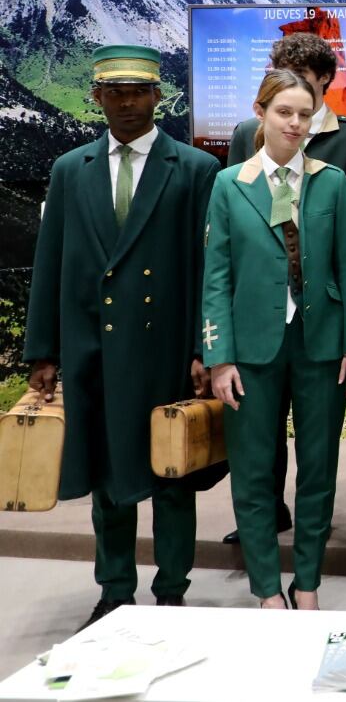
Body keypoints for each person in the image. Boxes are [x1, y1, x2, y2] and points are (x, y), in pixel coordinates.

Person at [23, 45, 219, 630]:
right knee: (108, 479)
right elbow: (49, 261)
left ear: (159, 97)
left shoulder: (193, 170)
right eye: (114, 91)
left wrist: (202, 350)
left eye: (138, 91)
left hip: (164, 352)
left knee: (170, 471)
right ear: (96, 97)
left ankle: (173, 587)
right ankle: (114, 590)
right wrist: (44, 351)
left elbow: (205, 269)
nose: (127, 102)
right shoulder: (70, 170)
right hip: (93, 347)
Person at [202, 70, 346, 609]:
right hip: (250, 348)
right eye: (284, 113)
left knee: (318, 467)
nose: (295, 124)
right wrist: (218, 356)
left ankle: (308, 582)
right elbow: (216, 277)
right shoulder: (230, 185)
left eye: (305, 114)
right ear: (261, 112)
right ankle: (265, 588)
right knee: (253, 469)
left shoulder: (331, 181)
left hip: (320, 343)